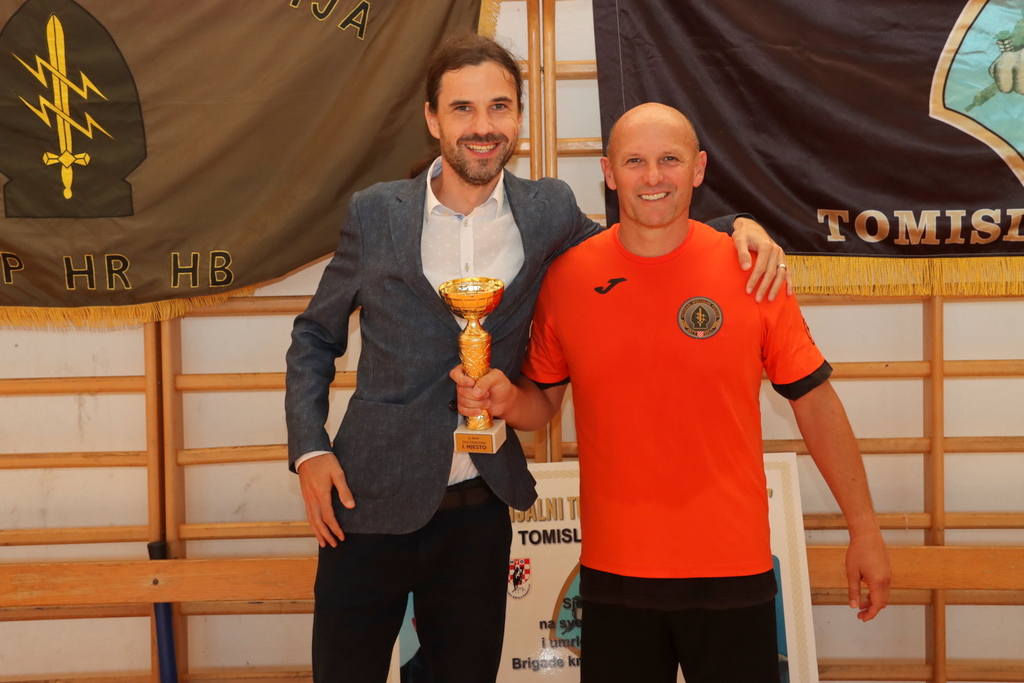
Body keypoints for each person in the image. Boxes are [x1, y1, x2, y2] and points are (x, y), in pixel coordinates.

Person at [285, 33, 790, 682]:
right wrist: (310, 449)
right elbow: (314, 336)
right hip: (366, 500)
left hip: (479, 511)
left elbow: (639, 240)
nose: (482, 126)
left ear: (518, 117)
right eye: (463, 108)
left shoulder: (548, 210)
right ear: (433, 119)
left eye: (498, 106)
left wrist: (735, 227)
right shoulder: (376, 212)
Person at [452, 102, 891, 683]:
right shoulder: (568, 276)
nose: (653, 176)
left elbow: (814, 401)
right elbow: (544, 403)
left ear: (699, 168)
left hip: (733, 571)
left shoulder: (753, 270)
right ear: (609, 173)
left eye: (670, 160)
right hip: (614, 577)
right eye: (634, 161)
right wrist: (507, 402)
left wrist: (865, 528)